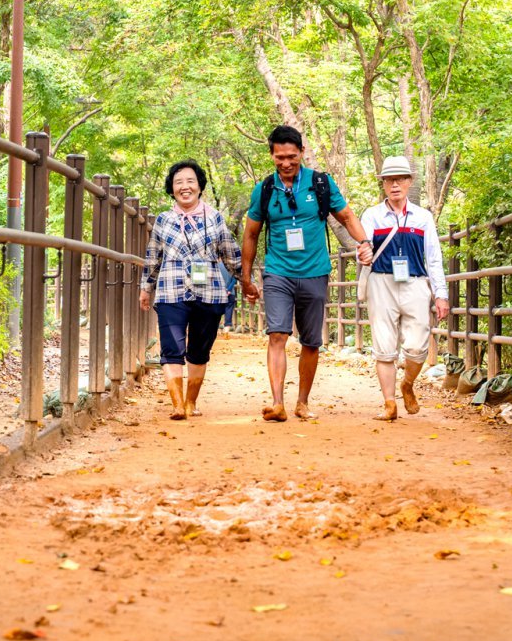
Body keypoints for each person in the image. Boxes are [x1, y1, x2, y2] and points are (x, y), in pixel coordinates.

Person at [239, 126, 372, 422]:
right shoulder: (265, 189)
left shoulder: (320, 183)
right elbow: (250, 235)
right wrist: (246, 278)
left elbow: (346, 216)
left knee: (311, 341)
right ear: (272, 155)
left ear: (301, 152)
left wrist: (363, 243)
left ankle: (302, 402)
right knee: (277, 334)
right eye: (279, 157)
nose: (286, 163)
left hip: (315, 271)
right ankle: (277, 403)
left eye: (291, 156)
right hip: (278, 272)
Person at [139, 160, 243, 420]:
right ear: (172, 189)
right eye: (178, 182)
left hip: (209, 291)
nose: (185, 187)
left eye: (190, 181)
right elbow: (153, 256)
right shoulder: (164, 220)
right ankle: (176, 405)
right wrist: (145, 288)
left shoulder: (215, 217)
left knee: (199, 349)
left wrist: (246, 281)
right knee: (171, 348)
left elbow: (230, 253)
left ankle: (190, 402)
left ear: (199, 186)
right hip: (171, 290)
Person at [360, 156, 449, 421]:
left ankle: (407, 383)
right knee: (384, 346)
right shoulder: (372, 215)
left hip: (414, 282)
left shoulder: (423, 217)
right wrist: (362, 254)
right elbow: (363, 248)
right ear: (383, 184)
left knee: (417, 346)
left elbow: (433, 258)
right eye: (389, 179)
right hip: (381, 283)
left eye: (400, 179)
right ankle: (389, 403)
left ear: (409, 182)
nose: (394, 184)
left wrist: (440, 294)